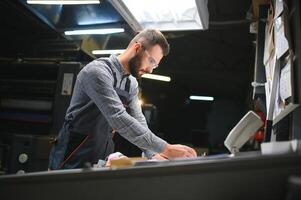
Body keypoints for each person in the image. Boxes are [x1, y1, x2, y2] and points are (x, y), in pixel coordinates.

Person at [48, 29, 197, 169]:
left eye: (155, 65)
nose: (151, 69)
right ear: (137, 48)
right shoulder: (97, 72)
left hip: (100, 154)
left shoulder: (130, 84)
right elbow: (118, 117)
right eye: (151, 61)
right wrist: (166, 148)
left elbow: (139, 121)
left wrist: (155, 154)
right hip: (71, 154)